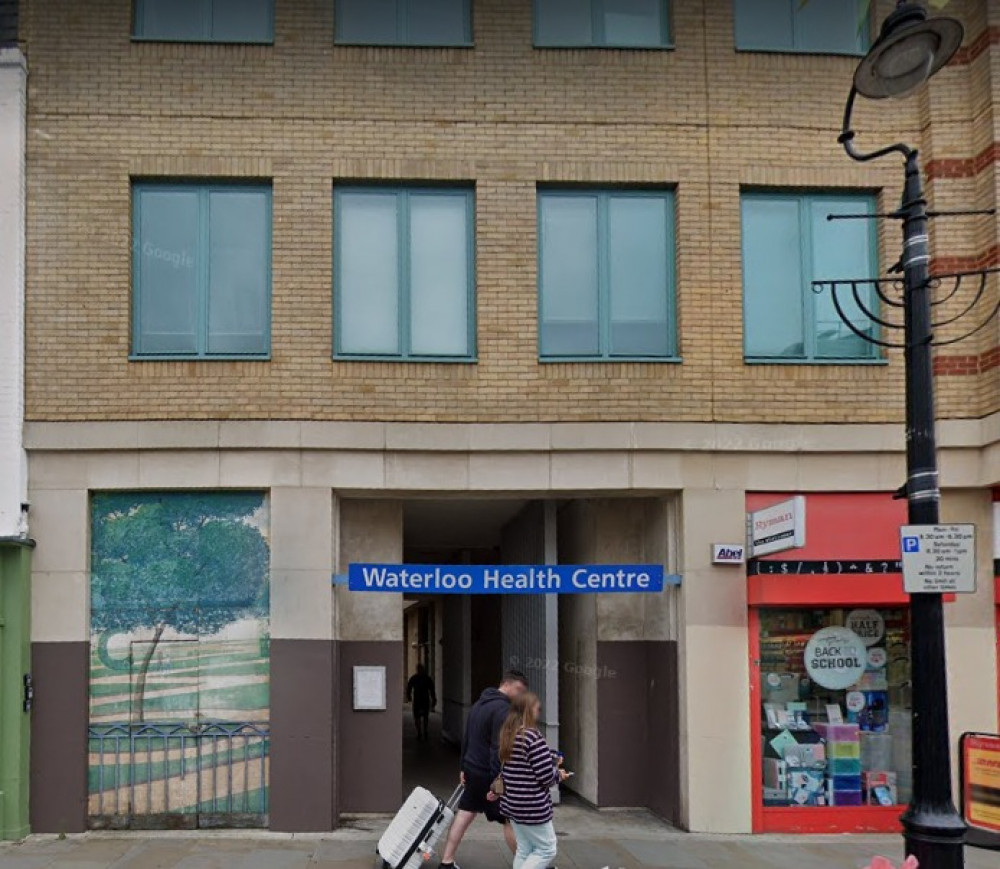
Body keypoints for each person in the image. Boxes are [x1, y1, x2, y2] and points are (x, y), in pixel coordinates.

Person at [438, 670, 529, 869]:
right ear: (508, 684)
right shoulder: (504, 711)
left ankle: (446, 862)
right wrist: (499, 782)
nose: (520, 695)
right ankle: (527, 865)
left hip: (472, 769)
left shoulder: (479, 704)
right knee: (509, 819)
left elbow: (467, 737)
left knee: (464, 814)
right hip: (489, 775)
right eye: (519, 690)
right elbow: (498, 749)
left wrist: (463, 767)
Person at [498, 692, 569, 869]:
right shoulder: (533, 737)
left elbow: (522, 765)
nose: (539, 712)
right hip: (532, 806)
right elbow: (546, 777)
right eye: (538, 709)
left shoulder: (509, 734)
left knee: (525, 849)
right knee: (547, 849)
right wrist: (559, 774)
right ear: (529, 711)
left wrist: (550, 757)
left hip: (513, 804)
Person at [406, 663, 437, 741]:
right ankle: (423, 732)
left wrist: (409, 696)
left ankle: (420, 732)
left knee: (418, 717)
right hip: (424, 700)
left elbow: (409, 688)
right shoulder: (427, 678)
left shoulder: (415, 678)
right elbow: (432, 690)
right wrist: (434, 699)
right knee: (423, 717)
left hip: (419, 700)